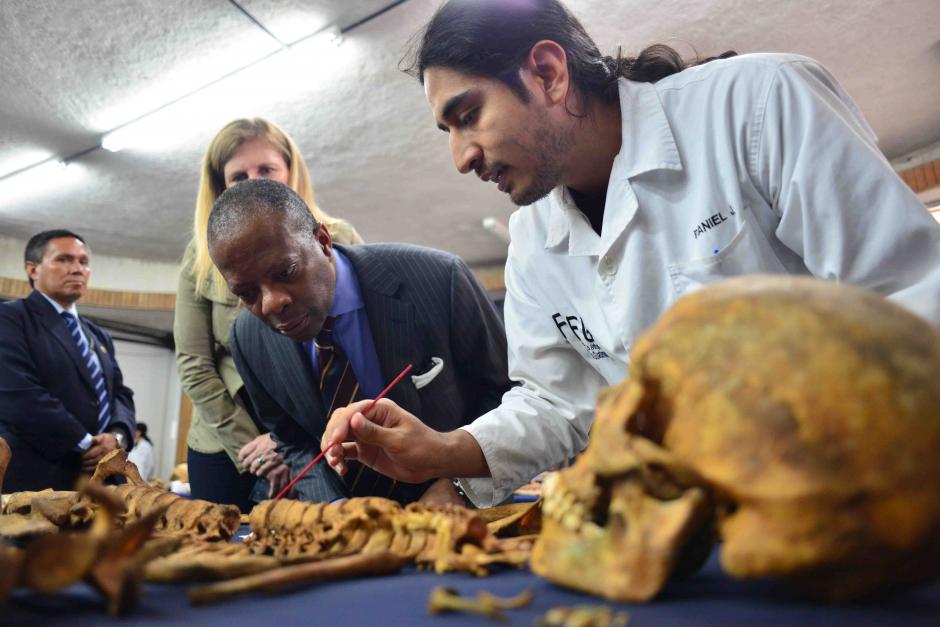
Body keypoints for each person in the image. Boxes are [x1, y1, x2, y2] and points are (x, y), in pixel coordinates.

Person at [320, 0, 940, 507]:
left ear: (548, 73)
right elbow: (560, 402)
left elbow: (911, 293)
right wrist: (445, 451)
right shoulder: (534, 241)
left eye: (468, 116)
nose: (461, 157)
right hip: (700, 523)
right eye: (448, 132)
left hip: (862, 491)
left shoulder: (757, 104)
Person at [208, 178, 512, 504]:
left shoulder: (441, 280)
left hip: (466, 514)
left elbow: (507, 398)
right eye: (247, 293)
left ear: (323, 241)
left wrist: (459, 486)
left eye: (285, 272)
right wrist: (337, 510)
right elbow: (293, 443)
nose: (270, 304)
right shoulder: (248, 340)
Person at [174, 117, 364, 512]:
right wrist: (250, 443)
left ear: (291, 173)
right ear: (220, 186)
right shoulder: (200, 257)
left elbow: (359, 345)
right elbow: (194, 363)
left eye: (266, 170)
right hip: (228, 447)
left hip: (319, 438)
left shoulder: (339, 235)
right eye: (237, 176)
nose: (253, 182)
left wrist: (286, 440)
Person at [0, 230, 136, 492]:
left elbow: (121, 394)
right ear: (32, 269)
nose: (77, 269)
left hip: (100, 481)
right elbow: (19, 394)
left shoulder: (98, 336)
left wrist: (116, 438)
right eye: (64, 260)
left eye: (83, 262)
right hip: (39, 478)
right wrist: (85, 443)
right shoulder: (11, 319)